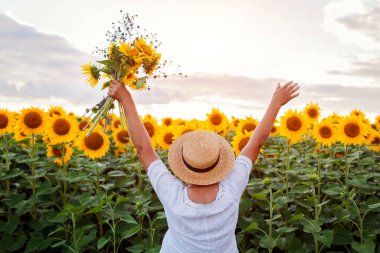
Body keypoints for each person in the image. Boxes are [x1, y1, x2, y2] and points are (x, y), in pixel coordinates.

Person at [108, 80, 300, 253]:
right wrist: (276, 103)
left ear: (183, 165)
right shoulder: (232, 188)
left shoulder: (172, 195)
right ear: (219, 163)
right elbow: (256, 143)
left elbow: (143, 149)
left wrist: (126, 99)